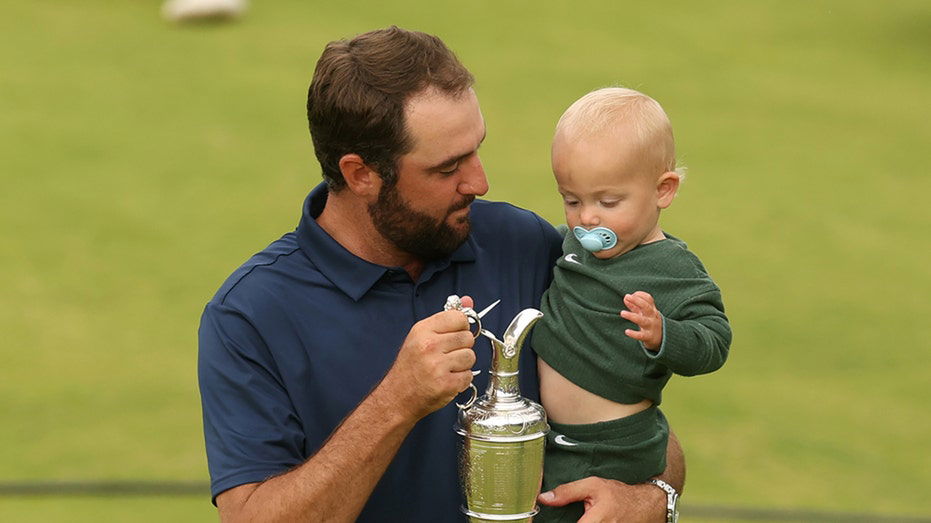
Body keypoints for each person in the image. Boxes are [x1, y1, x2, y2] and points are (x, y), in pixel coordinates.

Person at [198, 28, 684, 522]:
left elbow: (632, 422)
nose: (479, 181)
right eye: (448, 166)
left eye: (476, 149)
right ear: (361, 174)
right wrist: (396, 402)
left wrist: (652, 497)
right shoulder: (250, 314)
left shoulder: (525, 245)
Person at [530, 87, 732, 522]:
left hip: (615, 448)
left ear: (663, 190)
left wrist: (666, 334)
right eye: (572, 200)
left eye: (607, 202)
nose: (587, 219)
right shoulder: (574, 247)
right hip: (553, 438)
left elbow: (715, 341)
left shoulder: (672, 268)